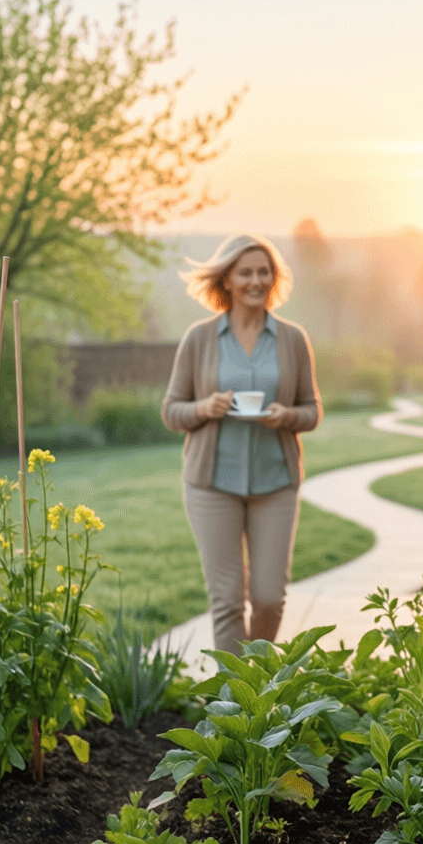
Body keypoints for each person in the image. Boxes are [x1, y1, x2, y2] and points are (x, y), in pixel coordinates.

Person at [162, 234, 321, 655]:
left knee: (269, 597)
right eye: (245, 272)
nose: (256, 281)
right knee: (227, 601)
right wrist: (204, 408)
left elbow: (313, 410)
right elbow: (171, 410)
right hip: (212, 485)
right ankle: (234, 691)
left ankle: (259, 676)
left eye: (264, 272)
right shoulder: (199, 339)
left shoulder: (292, 338)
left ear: (274, 278)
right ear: (227, 279)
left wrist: (286, 416)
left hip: (276, 483)